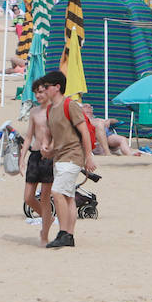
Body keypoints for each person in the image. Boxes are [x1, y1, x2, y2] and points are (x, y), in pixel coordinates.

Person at [41, 69, 96, 250]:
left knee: (56, 192)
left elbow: (84, 131)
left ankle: (63, 233)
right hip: (59, 157)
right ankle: (70, 235)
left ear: (57, 87)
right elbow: (50, 134)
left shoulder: (70, 105)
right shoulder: (50, 109)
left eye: (47, 87)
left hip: (73, 156)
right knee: (68, 197)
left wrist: (88, 156)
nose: (44, 90)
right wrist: (47, 147)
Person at [21, 76, 56, 245]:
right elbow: (28, 136)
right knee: (28, 197)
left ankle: (44, 234)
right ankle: (47, 218)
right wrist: (22, 157)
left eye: (41, 92)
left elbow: (59, 134)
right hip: (34, 154)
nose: (38, 95)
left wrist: (51, 147)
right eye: (36, 93)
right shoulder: (34, 111)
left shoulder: (54, 110)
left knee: (44, 196)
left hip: (48, 156)